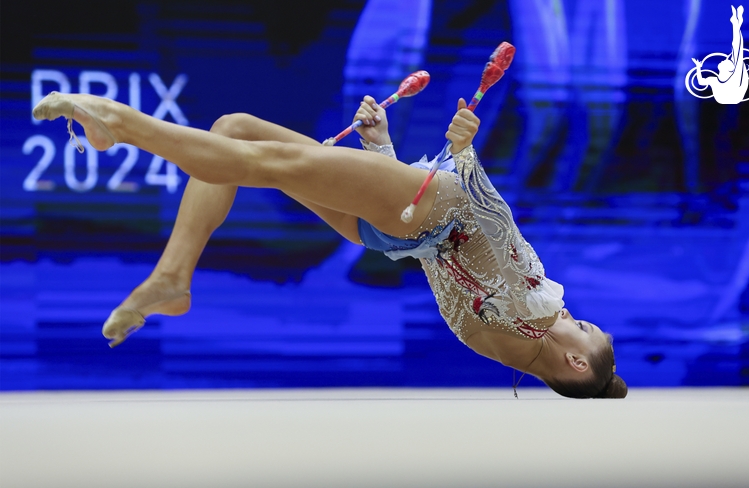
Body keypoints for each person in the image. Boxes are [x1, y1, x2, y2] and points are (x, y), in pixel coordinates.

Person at [32, 89, 627, 399]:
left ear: (576, 361)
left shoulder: (539, 312)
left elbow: (493, 222)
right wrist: (381, 155)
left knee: (253, 154)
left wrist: (464, 151)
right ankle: (173, 277)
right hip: (398, 230)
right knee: (236, 131)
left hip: (428, 209)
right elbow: (450, 264)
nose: (579, 317)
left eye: (587, 329)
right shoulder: (499, 350)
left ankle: (119, 124)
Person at [692, 5, 748, 104]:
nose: (725, 59)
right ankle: (736, 23)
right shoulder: (716, 80)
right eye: (728, 61)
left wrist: (736, 25)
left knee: (737, 51)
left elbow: (737, 49)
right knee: (736, 52)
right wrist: (698, 67)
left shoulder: (732, 78)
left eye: (727, 61)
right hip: (727, 98)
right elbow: (701, 82)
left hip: (732, 96)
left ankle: (736, 23)